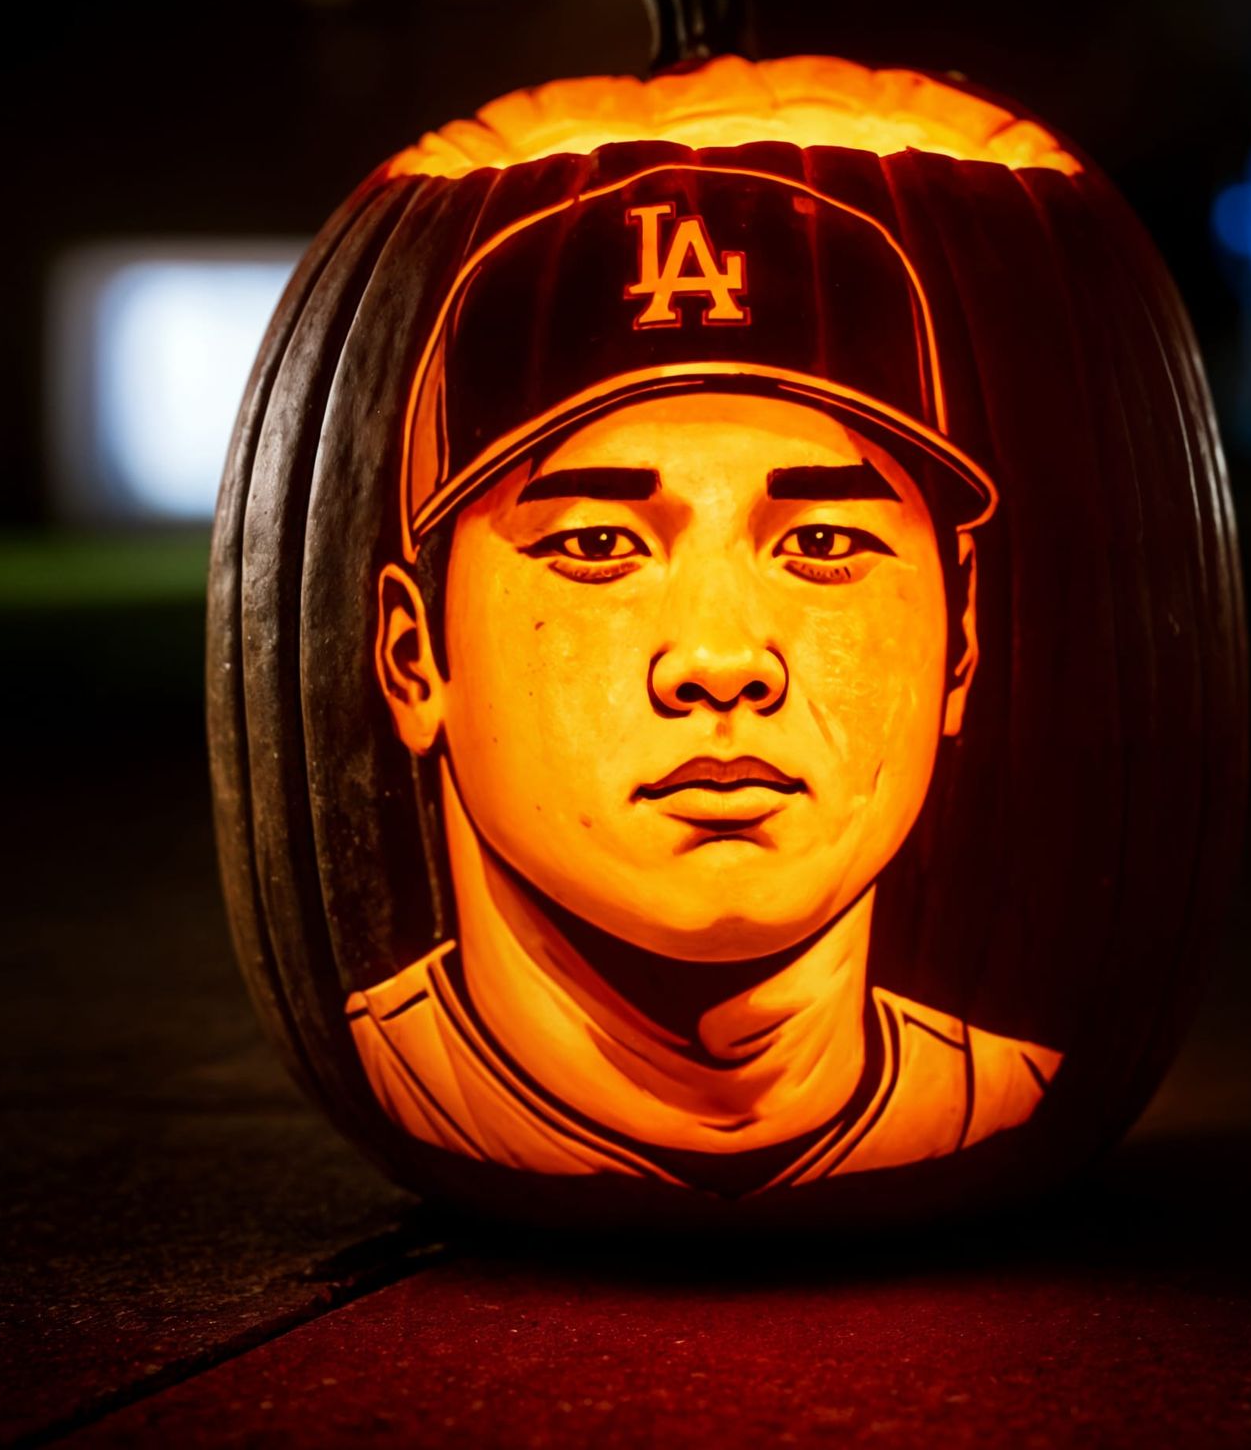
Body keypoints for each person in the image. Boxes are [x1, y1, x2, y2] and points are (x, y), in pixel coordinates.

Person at [345, 162, 1062, 1197]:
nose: (720, 661)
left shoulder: (1014, 1098)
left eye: (822, 539)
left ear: (960, 641)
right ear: (415, 658)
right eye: (596, 543)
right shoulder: (386, 1081)